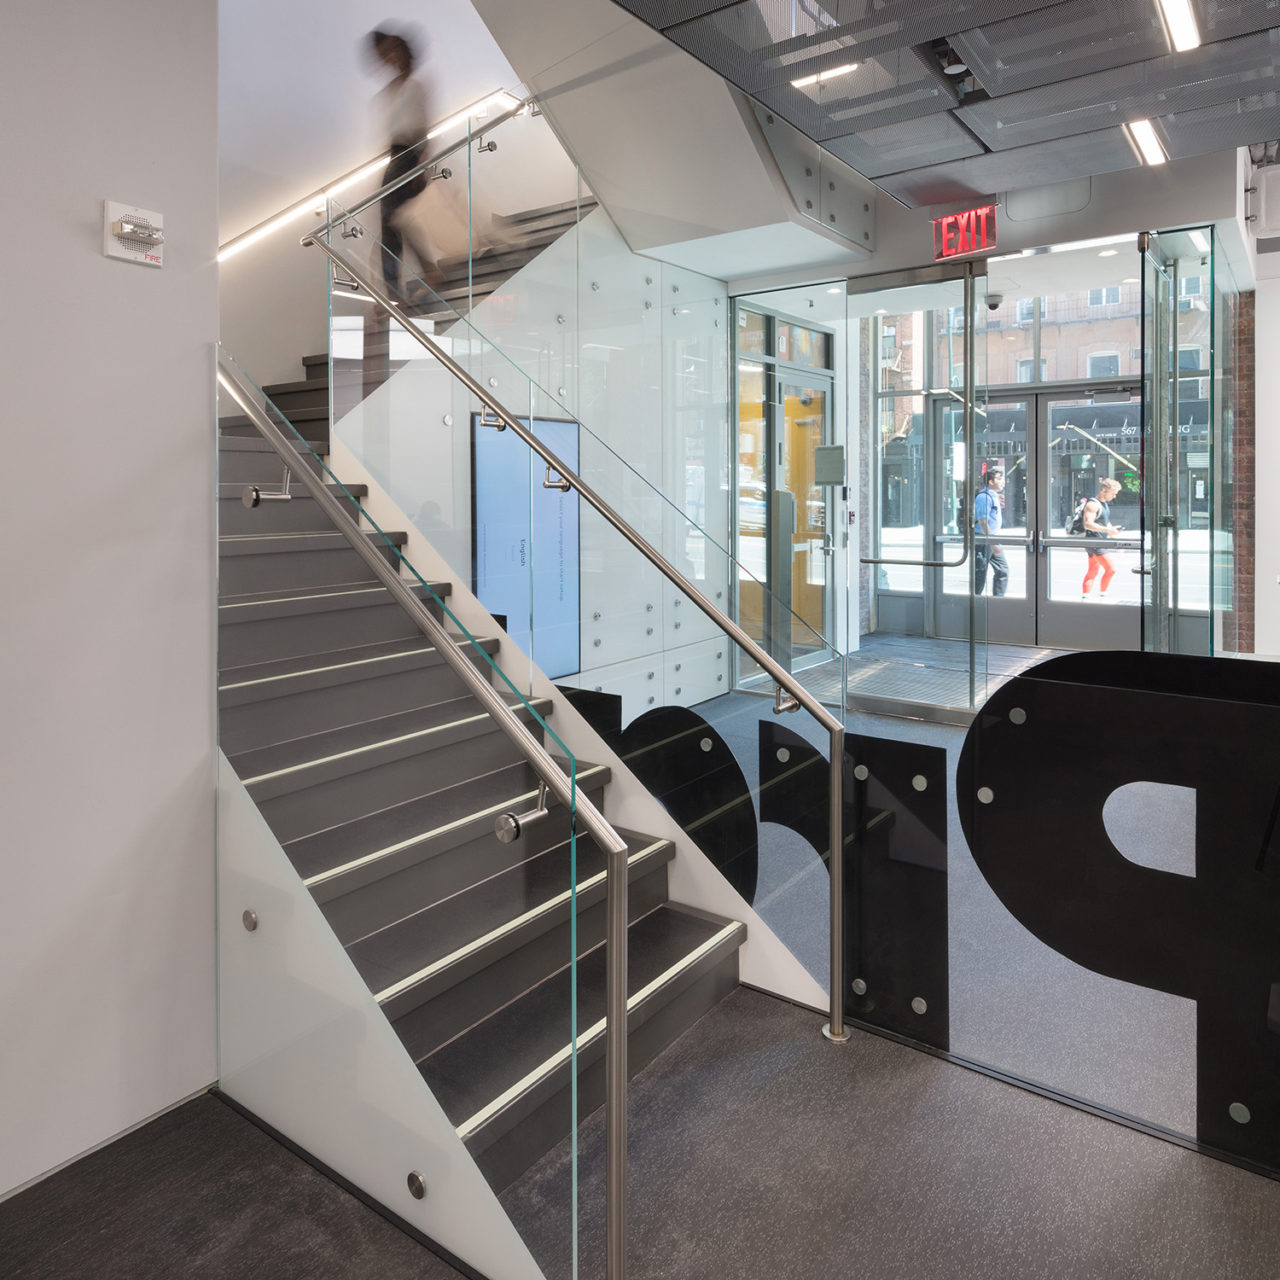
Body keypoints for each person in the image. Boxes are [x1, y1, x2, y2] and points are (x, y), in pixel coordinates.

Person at [368, 28, 433, 299]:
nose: (388, 61)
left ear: (401, 51)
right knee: (394, 221)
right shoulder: (395, 89)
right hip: (395, 157)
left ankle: (396, 293)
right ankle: (413, 280)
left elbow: (422, 129)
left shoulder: (414, 86)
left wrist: (421, 165)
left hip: (407, 156)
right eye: (384, 57)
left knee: (392, 221)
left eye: (390, 54)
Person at [1081, 477, 1124, 599]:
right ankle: (1103, 595)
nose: (1114, 496)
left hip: (1097, 542)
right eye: (1113, 493)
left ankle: (1085, 596)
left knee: (1092, 571)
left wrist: (1114, 536)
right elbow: (1088, 524)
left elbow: (1105, 522)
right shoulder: (1092, 505)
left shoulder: (1103, 504)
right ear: (1104, 490)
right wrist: (1108, 530)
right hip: (1095, 543)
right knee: (1111, 569)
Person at [973, 466, 1008, 597]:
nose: (1003, 481)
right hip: (984, 539)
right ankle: (975, 598)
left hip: (991, 538)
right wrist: (992, 542)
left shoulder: (993, 496)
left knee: (1002, 569)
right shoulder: (984, 497)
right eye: (999, 478)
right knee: (980, 572)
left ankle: (998, 599)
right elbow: (982, 521)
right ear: (990, 482)